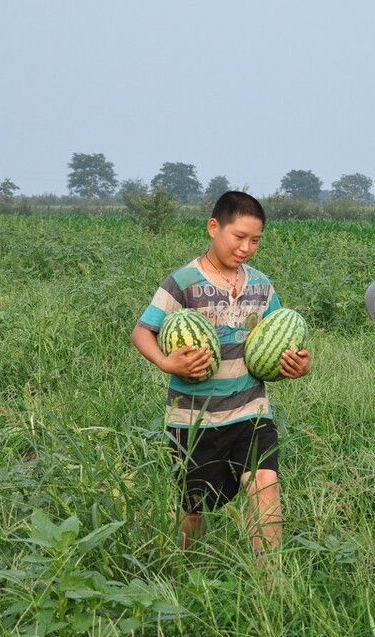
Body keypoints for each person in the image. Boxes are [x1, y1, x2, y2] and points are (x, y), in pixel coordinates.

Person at [132, 191, 311, 552]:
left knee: (265, 484)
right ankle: (186, 567)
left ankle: (269, 582)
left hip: (251, 408)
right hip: (194, 417)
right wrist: (166, 362)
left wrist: (299, 365)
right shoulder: (183, 282)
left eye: (255, 240)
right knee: (195, 507)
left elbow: (280, 335)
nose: (246, 247)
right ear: (214, 228)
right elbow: (142, 331)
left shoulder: (261, 285)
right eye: (239, 237)